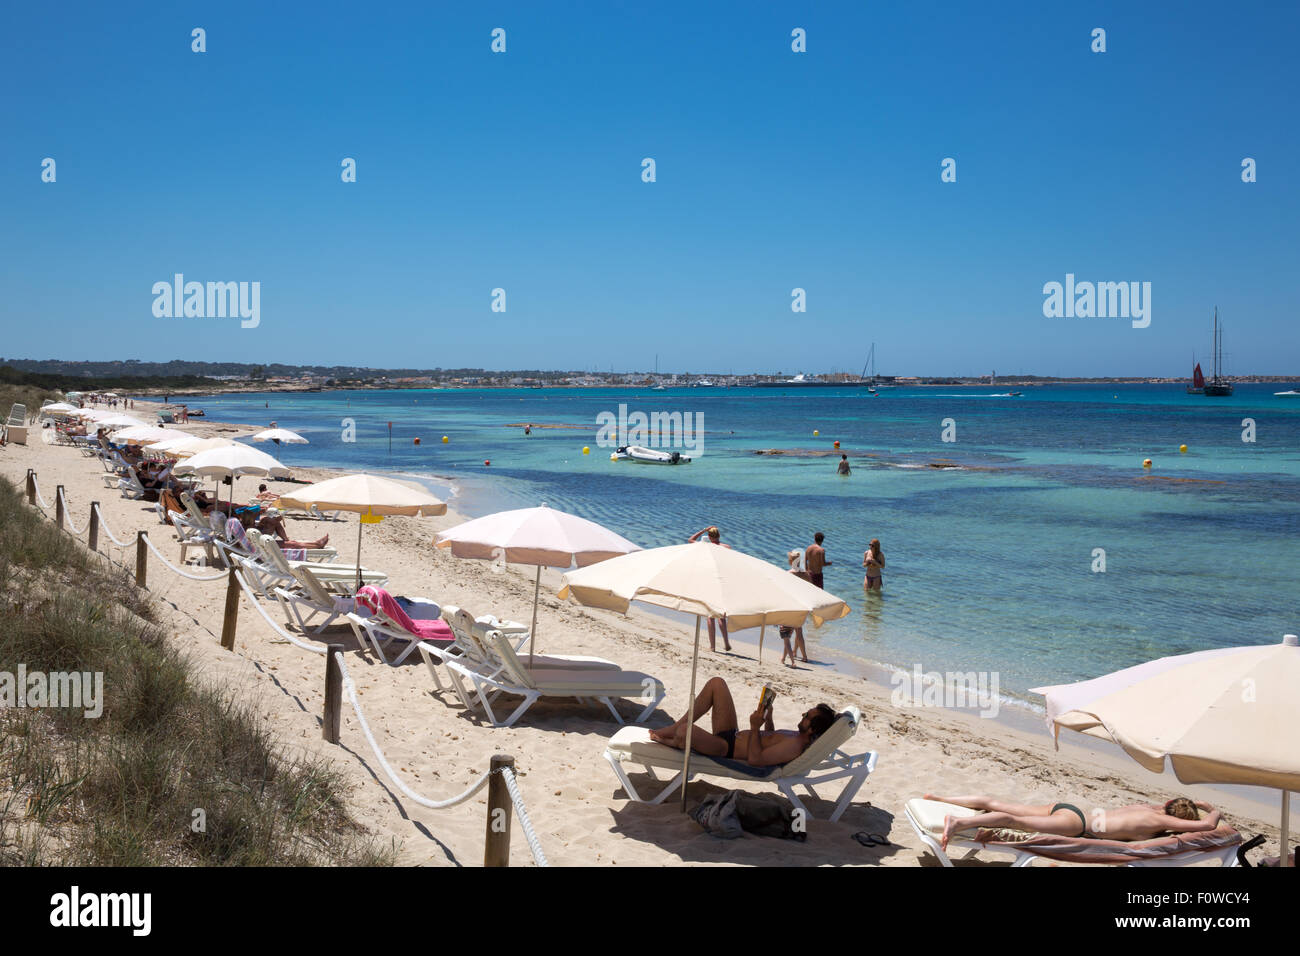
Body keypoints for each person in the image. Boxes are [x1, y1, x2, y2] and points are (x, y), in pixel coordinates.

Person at [926, 793, 1224, 851]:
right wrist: (1214, 810)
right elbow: (1208, 826)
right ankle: (958, 822)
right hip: (1074, 825)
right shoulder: (1156, 821)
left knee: (996, 802)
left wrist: (1193, 801)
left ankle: (940, 798)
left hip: (1069, 808)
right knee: (1014, 820)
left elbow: (1169, 806)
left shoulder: (1146, 806)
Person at [648, 676, 837, 766]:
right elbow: (770, 738)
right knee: (717, 683)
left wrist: (755, 727)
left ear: (813, 729)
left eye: (807, 717)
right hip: (732, 734)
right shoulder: (796, 735)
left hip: (725, 749)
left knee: (684, 731)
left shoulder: (795, 746)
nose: (803, 714)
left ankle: (673, 738)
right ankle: (672, 731)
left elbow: (756, 760)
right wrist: (768, 719)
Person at [687, 525, 731, 651]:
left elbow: (690, 540)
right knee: (721, 616)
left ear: (710, 537)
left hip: (711, 581)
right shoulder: (726, 547)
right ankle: (726, 642)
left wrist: (704, 530)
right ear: (719, 536)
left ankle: (712, 646)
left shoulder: (706, 546)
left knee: (710, 616)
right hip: (723, 581)